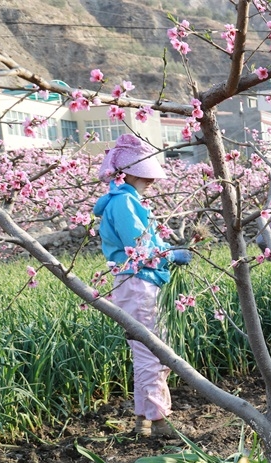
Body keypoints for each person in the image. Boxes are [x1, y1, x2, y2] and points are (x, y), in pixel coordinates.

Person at [94, 134, 190, 439]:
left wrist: (165, 248)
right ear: (130, 173)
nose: (151, 181)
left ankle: (145, 419)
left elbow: (147, 242)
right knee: (152, 352)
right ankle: (158, 420)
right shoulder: (123, 202)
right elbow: (138, 247)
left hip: (138, 281)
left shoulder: (126, 200)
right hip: (137, 282)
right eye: (145, 174)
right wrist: (169, 254)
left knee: (149, 351)